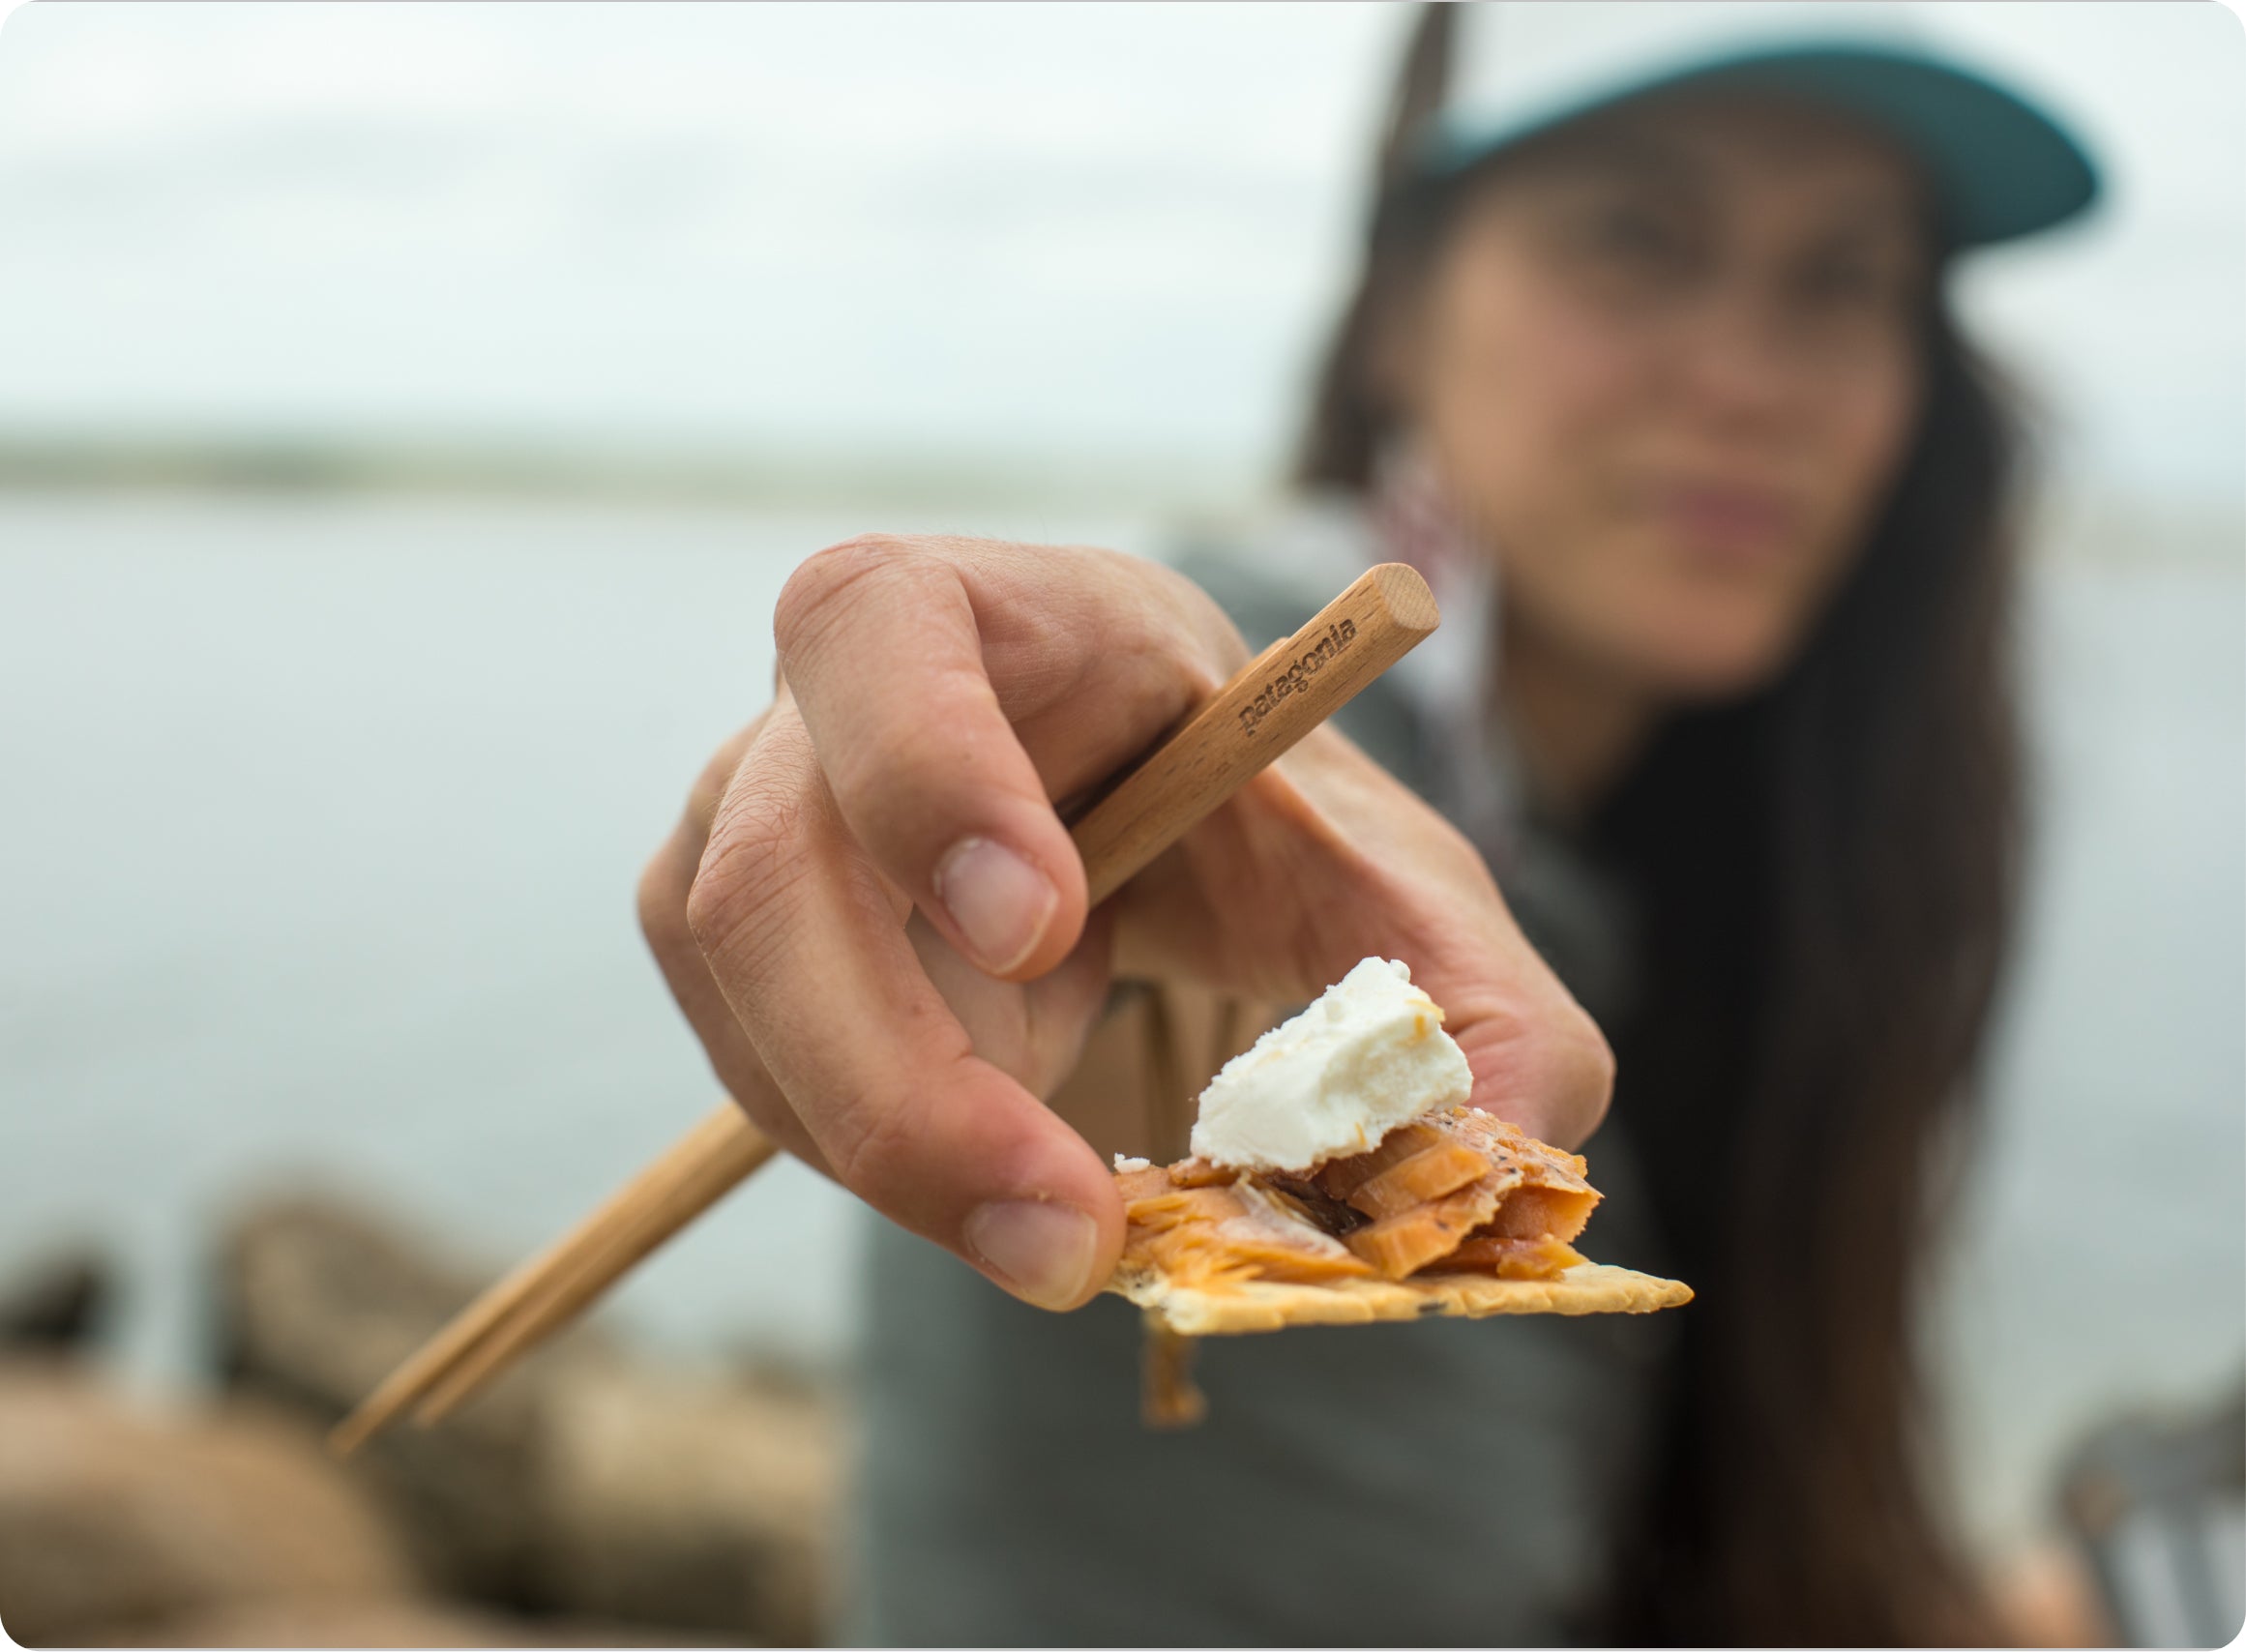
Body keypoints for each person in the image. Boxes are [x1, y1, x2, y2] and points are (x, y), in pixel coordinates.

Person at [635, 4, 2101, 1642]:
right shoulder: (1257, 757)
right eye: (1636, 238)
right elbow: (1177, 892)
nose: (1747, 378)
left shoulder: (1760, 820)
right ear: (1398, 309)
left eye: (1838, 277)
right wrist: (984, 823)